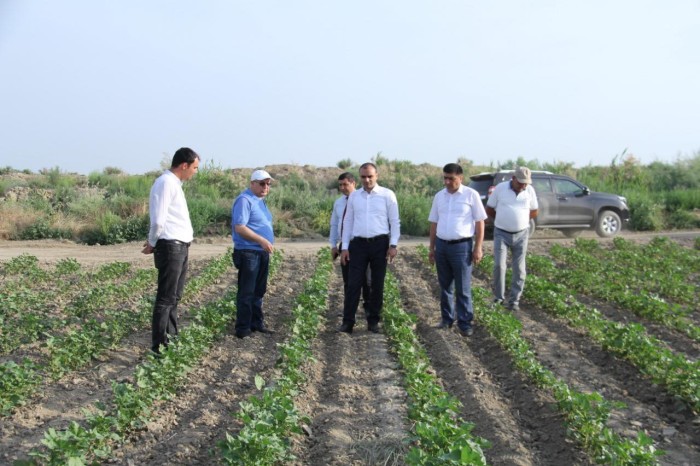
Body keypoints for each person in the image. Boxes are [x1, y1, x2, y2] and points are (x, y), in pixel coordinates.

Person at [142, 147, 200, 354]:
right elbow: (158, 220)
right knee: (166, 298)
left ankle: (171, 341)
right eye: (194, 167)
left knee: (174, 296)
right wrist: (152, 242)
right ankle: (159, 347)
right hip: (170, 246)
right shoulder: (165, 183)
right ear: (184, 165)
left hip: (180, 246)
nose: (195, 172)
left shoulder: (174, 184)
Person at [338, 162, 400, 334]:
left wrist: (393, 244)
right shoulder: (354, 197)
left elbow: (395, 221)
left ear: (376, 176)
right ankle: (348, 322)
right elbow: (348, 221)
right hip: (358, 244)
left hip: (380, 244)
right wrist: (345, 247)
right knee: (353, 284)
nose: (366, 180)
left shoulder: (387, 195)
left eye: (370, 176)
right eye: (363, 177)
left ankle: (373, 321)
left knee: (376, 284)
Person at [428, 163, 486, 337]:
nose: (447, 182)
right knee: (445, 286)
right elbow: (434, 223)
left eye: (451, 178)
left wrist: (478, 247)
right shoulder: (439, 196)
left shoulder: (471, 195)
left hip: (462, 247)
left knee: (463, 287)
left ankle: (465, 322)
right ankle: (446, 320)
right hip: (442, 245)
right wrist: (432, 248)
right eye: (445, 178)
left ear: (460, 178)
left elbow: (480, 222)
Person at [485, 166, 539, 311]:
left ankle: (514, 301)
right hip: (501, 233)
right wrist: (502, 219)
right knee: (499, 265)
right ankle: (498, 298)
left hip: (522, 234)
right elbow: (489, 208)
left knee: (520, 269)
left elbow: (534, 211)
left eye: (526, 183)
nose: (523, 185)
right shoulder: (501, 189)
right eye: (520, 182)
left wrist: (520, 220)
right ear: (513, 178)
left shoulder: (529, 191)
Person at [231, 169, 275, 339]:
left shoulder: (260, 200)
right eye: (262, 183)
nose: (265, 187)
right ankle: (243, 328)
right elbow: (240, 227)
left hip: (261, 252)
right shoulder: (244, 200)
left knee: (259, 290)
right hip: (249, 252)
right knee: (247, 291)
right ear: (252, 184)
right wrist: (261, 240)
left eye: (268, 184)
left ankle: (256, 323)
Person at [329, 172, 371, 308]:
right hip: (345, 245)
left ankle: (368, 308)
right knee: (348, 280)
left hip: (362, 244)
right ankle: (349, 309)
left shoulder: (362, 199)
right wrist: (334, 245)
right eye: (340, 185)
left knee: (367, 280)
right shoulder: (339, 203)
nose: (342, 188)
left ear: (354, 184)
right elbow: (335, 224)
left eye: (345, 184)